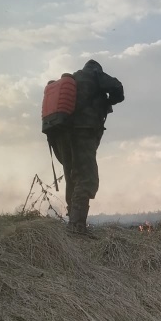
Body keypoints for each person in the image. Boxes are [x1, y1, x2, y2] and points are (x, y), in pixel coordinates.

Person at [48, 59, 124, 236]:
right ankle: (77, 227)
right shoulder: (94, 74)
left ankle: (72, 224)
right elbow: (118, 89)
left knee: (72, 177)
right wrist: (108, 100)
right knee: (87, 178)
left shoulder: (73, 81)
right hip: (82, 132)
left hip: (60, 135)